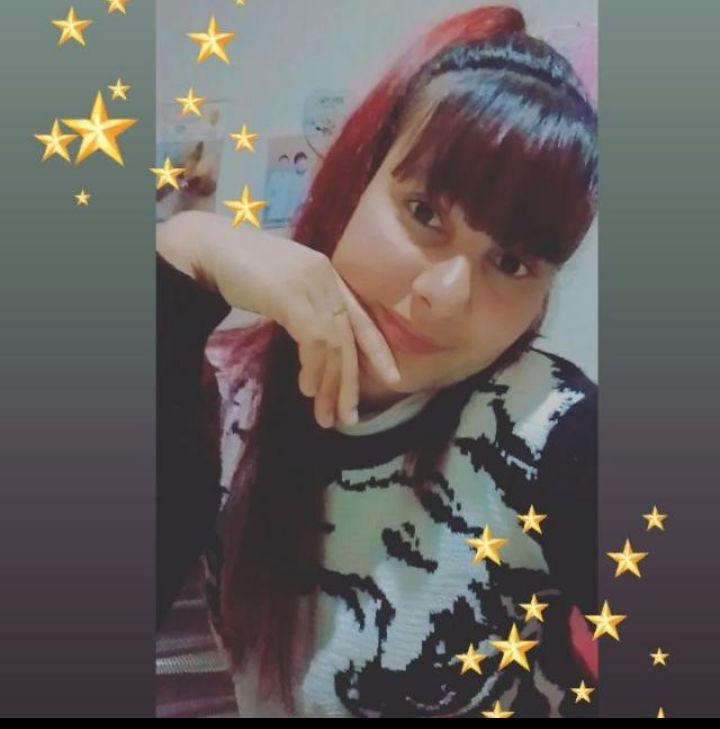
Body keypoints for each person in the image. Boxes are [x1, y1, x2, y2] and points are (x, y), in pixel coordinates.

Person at [157, 5, 598, 718]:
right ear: (356, 182)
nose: (445, 297)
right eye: (424, 212)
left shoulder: (551, 431)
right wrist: (184, 258)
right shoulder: (229, 399)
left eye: (512, 263)